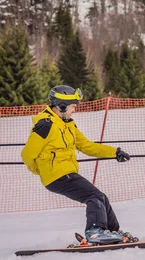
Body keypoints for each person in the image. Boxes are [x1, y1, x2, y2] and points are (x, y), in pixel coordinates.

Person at [21, 85, 133, 245]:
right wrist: (40, 170)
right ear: (62, 106)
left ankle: (112, 232)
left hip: (66, 173)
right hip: (56, 176)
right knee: (93, 196)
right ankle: (95, 232)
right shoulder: (46, 125)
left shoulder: (68, 124)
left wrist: (115, 152)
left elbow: (87, 146)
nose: (74, 110)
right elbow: (27, 154)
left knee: (101, 197)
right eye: (73, 106)